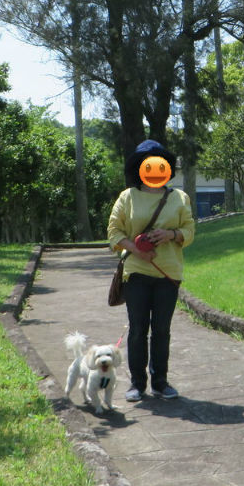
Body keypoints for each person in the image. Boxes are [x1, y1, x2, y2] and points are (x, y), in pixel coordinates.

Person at [107, 140, 195, 401]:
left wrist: (171, 234)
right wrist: (138, 250)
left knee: (162, 330)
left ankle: (160, 382)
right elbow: (114, 232)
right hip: (136, 273)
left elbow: (189, 230)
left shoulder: (179, 198)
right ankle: (137, 384)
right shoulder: (127, 197)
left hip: (168, 274)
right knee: (137, 330)